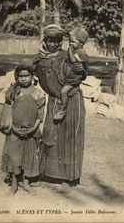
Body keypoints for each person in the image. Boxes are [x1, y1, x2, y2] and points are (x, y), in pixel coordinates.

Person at [33, 24, 87, 192]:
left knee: (69, 138)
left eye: (57, 41)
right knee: (50, 135)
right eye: (49, 40)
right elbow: (27, 71)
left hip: (71, 101)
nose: (53, 44)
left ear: (61, 41)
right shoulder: (40, 58)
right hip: (53, 100)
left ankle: (68, 178)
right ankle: (43, 173)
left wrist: (82, 70)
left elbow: (81, 71)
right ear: (44, 40)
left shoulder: (67, 56)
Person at [0, 64, 45, 196]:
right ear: (16, 77)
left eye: (26, 76)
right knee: (15, 158)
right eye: (21, 76)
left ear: (32, 77)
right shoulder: (13, 93)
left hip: (31, 132)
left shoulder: (38, 94)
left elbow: (40, 116)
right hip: (15, 132)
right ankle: (14, 184)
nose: (24, 79)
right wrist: (14, 128)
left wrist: (32, 129)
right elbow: (8, 113)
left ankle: (26, 183)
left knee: (28, 157)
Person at [54, 27, 89, 120]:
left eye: (73, 41)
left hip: (73, 80)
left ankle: (63, 109)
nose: (70, 43)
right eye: (70, 41)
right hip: (67, 78)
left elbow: (75, 61)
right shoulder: (75, 51)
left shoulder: (79, 52)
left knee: (63, 91)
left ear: (81, 43)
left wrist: (69, 50)